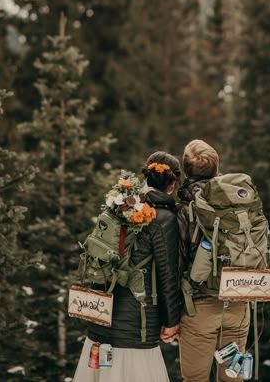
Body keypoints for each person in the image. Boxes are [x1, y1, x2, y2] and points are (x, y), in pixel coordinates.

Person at [72, 151, 182, 382]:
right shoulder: (163, 218)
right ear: (173, 183)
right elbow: (167, 275)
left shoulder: (118, 205)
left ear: (145, 176)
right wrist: (171, 322)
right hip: (136, 328)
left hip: (101, 318)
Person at [177, 139, 251, 382]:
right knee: (232, 379)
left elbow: (176, 262)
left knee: (195, 379)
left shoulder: (185, 208)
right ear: (217, 169)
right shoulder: (239, 200)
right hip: (238, 301)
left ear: (185, 171)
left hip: (200, 306)